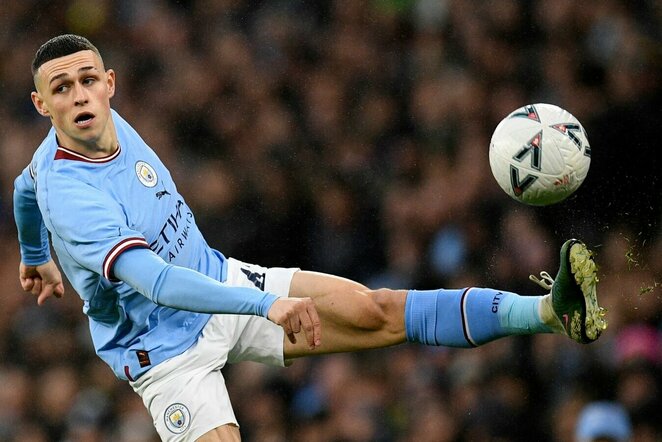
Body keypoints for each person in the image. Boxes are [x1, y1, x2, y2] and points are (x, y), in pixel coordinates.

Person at [14, 34, 607, 441]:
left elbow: (22, 186)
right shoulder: (73, 196)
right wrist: (268, 304)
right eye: (60, 89)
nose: (78, 95)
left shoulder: (102, 125)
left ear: (110, 83)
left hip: (218, 278)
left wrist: (35, 256)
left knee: (377, 311)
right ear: (42, 104)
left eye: (87, 80)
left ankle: (548, 311)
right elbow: (159, 283)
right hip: (163, 352)